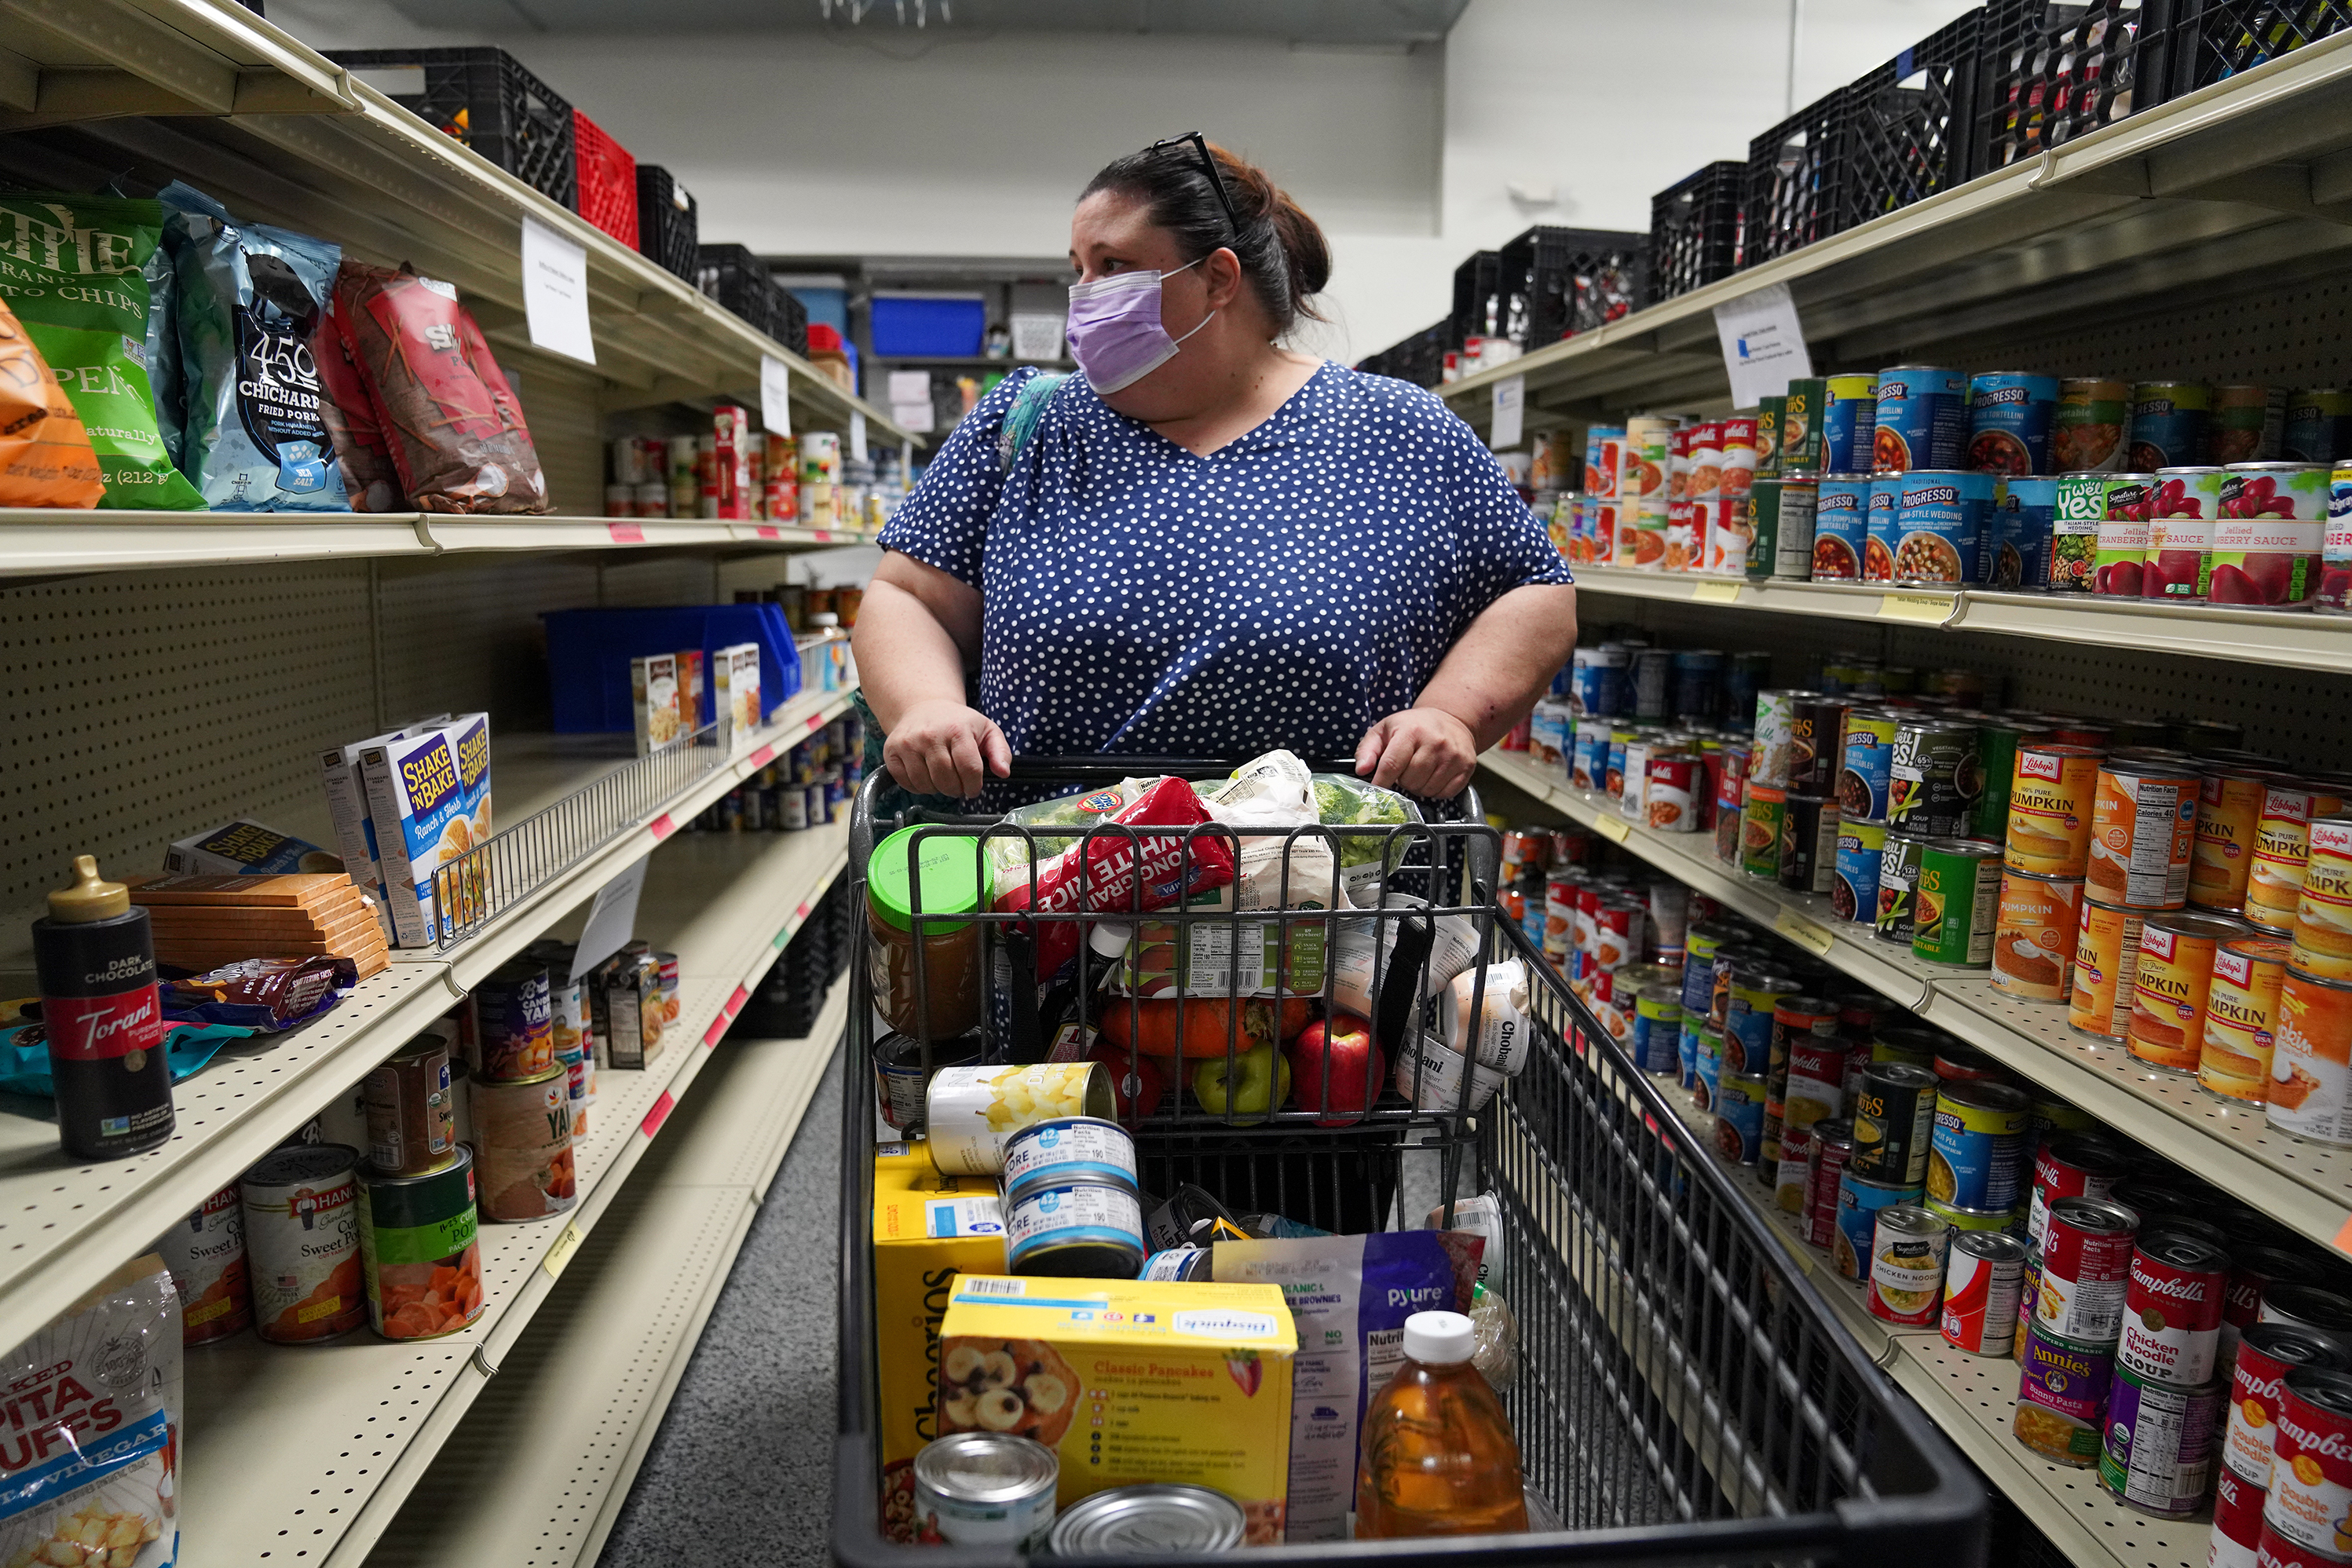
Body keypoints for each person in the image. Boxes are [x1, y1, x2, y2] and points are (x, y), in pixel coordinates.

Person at [854, 133, 1577, 801]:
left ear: (1218, 278)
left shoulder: (1397, 429)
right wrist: (927, 704)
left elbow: (1533, 591)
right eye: (1077, 270)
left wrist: (1448, 715)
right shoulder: (1025, 425)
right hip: (1043, 897)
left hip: (1319, 904)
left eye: (1113, 266)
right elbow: (908, 596)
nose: (1084, 296)